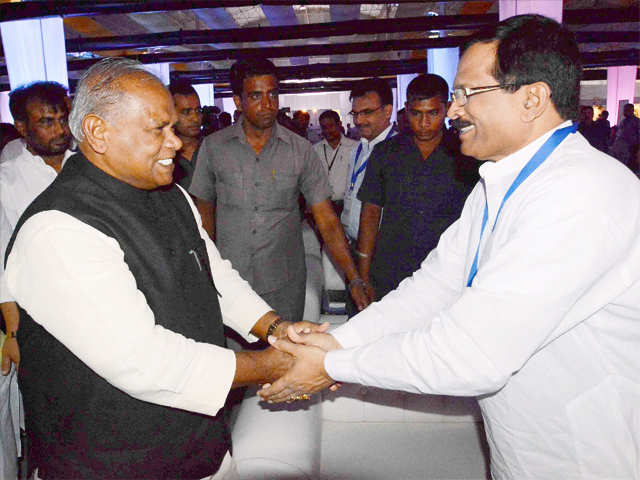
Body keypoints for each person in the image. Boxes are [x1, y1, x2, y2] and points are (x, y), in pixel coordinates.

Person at [261, 15, 640, 479]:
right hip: (520, 451)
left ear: (532, 99)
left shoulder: (582, 192)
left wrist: (332, 364)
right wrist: (335, 339)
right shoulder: (498, 183)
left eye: (467, 94)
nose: (454, 110)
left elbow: (472, 353)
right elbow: (434, 289)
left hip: (585, 460)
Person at [3, 58, 323, 479]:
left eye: (174, 127)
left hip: (197, 447)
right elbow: (146, 362)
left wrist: (275, 329)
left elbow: (214, 273)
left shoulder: (169, 193)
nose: (175, 142)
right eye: (159, 129)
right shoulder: (58, 229)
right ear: (99, 133)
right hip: (110, 462)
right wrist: (273, 364)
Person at [189, 58, 369, 326]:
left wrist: (353, 278)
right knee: (238, 363)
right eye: (256, 96)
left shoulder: (300, 150)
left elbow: (327, 221)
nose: (268, 104)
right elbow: (203, 222)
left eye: (273, 94)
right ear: (238, 101)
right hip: (231, 283)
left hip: (284, 284)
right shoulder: (214, 148)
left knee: (284, 359)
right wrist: (205, 277)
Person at [356, 74, 477, 302]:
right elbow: (370, 215)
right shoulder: (385, 154)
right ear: (405, 109)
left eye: (433, 113)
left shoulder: (466, 153)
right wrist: (363, 275)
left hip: (447, 273)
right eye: (416, 114)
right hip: (391, 271)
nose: (424, 123)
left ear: (448, 108)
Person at [1, 81, 74, 376]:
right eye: (46, 122)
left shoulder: (89, 165)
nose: (59, 130)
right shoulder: (7, 181)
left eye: (62, 120)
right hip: (39, 315)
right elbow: (2, 260)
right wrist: (14, 331)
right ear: (21, 127)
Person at [341, 77, 395, 316]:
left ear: (387, 111)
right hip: (354, 247)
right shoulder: (358, 149)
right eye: (355, 113)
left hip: (382, 253)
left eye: (367, 112)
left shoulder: (399, 152)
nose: (359, 120)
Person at [312, 110, 358, 213]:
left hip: (348, 207)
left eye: (331, 126)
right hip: (323, 207)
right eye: (324, 127)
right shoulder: (315, 150)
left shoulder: (354, 148)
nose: (328, 130)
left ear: (339, 124)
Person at [168, 80, 203, 189]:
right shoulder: (163, 155)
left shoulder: (213, 149)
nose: (195, 118)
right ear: (170, 113)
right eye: (186, 112)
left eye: (198, 111)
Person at [610, 103, 640, 172]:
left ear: (632, 110)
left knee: (628, 170)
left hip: (631, 150)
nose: (625, 112)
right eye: (624, 110)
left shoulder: (637, 121)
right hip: (620, 149)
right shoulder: (623, 121)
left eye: (627, 110)